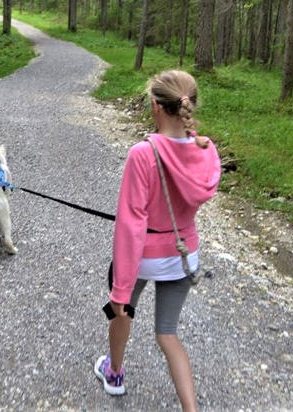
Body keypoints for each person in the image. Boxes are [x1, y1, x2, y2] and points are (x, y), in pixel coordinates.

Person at [94, 70, 221, 411]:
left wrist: (121, 289)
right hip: (184, 255)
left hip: (144, 256)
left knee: (121, 312)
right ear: (189, 105)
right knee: (168, 334)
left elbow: (131, 224)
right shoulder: (206, 150)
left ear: (154, 106)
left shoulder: (143, 153)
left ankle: (115, 373)